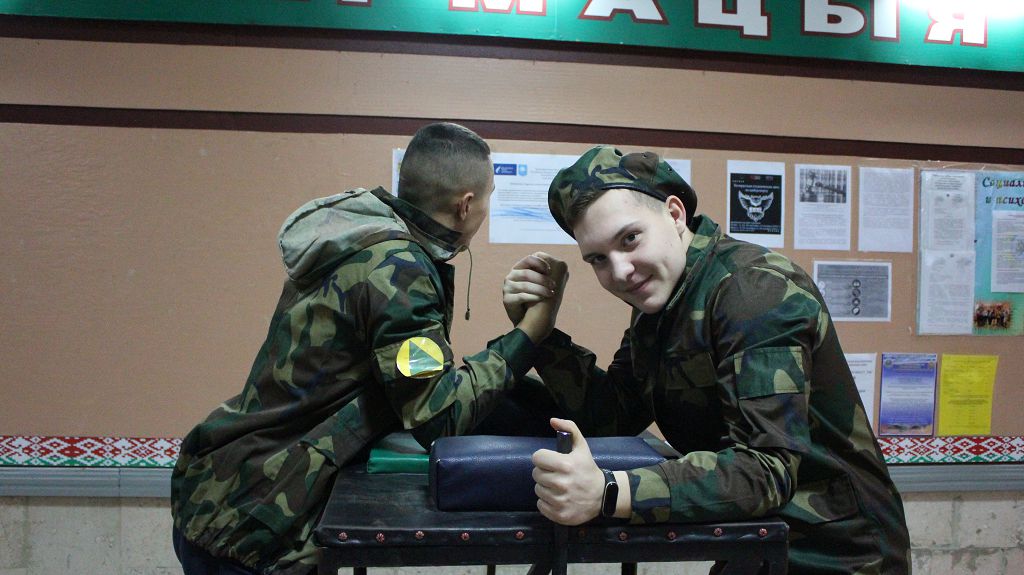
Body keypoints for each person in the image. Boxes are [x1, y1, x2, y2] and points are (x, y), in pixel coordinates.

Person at [170, 122, 561, 575]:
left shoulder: (368, 245)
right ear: (466, 204)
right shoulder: (398, 269)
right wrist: (530, 333)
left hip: (230, 492)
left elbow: (411, 381)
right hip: (255, 522)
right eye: (489, 197)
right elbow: (439, 417)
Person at [502, 146, 911, 574]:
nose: (620, 271)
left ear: (675, 214)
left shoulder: (754, 292)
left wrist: (609, 491)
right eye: (598, 259)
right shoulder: (662, 304)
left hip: (839, 553)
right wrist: (539, 336)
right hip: (758, 540)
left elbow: (765, 470)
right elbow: (616, 415)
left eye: (630, 239)